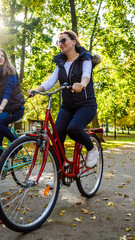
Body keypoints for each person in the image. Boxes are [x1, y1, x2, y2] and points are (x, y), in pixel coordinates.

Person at [27, 30, 101, 168]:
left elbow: (86, 75)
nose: (60, 44)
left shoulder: (85, 58)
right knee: (56, 137)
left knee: (73, 129)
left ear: (74, 41)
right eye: (58, 42)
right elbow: (51, 81)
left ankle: (92, 149)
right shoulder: (60, 62)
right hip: (67, 106)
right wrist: (36, 90)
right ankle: (60, 172)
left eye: (63, 40)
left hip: (86, 105)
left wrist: (82, 84)